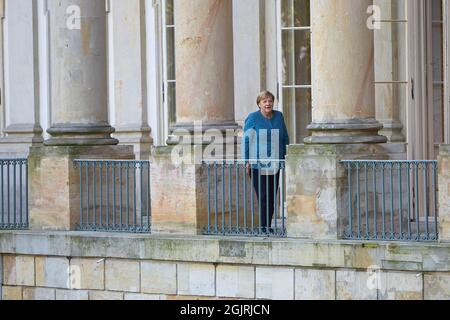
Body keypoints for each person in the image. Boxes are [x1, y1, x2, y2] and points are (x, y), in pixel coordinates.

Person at [242, 91, 290, 233]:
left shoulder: (279, 116)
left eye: (270, 101)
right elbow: (246, 140)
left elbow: (285, 137)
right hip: (257, 163)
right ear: (259, 104)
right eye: (264, 101)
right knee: (263, 195)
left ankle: (268, 226)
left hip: (275, 163)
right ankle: (263, 227)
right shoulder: (253, 118)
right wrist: (246, 161)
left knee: (271, 196)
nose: (268, 103)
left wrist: (286, 157)